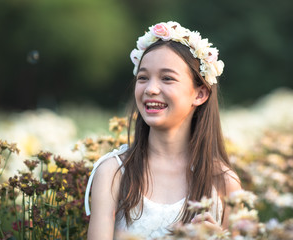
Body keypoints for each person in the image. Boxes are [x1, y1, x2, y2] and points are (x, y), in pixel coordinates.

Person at [84, 21, 241, 239]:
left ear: (200, 94)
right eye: (143, 78)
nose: (151, 89)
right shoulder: (114, 172)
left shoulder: (224, 182)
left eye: (167, 78)